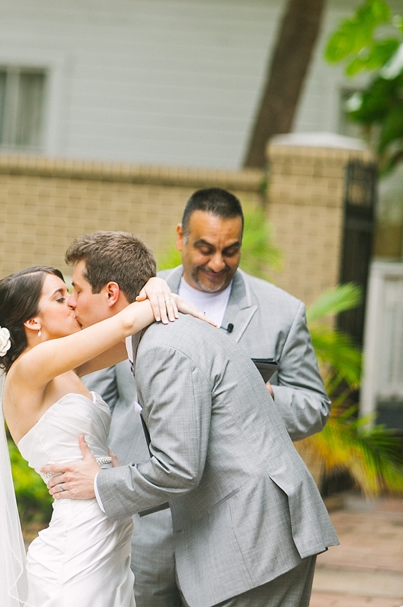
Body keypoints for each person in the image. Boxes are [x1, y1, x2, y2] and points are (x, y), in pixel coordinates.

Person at [45, 231, 339, 607]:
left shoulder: (162, 349)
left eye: (77, 289)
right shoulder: (161, 335)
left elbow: (178, 468)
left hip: (256, 540)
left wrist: (101, 483)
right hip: (250, 532)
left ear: (110, 294)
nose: (72, 302)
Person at [0, 251, 208, 607]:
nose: (73, 303)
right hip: (76, 553)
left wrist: (155, 288)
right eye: (59, 297)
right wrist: (162, 293)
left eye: (70, 292)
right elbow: (126, 325)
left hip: (108, 543)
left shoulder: (66, 369)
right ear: (32, 322)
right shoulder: (28, 369)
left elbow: (131, 336)